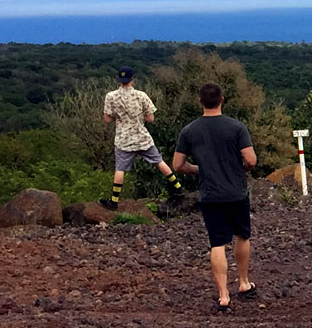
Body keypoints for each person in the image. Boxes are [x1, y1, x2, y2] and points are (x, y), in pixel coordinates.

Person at [171, 83, 257, 311]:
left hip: (210, 193)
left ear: (200, 101)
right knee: (242, 236)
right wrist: (240, 169)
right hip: (236, 192)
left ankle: (223, 294)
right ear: (222, 100)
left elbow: (177, 165)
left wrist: (200, 169)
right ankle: (244, 282)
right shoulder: (237, 127)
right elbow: (251, 160)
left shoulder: (189, 131)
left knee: (217, 243)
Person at [101, 66, 186, 210]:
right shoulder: (141, 95)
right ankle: (178, 188)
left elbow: (107, 119)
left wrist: (119, 116)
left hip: (123, 139)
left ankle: (114, 201)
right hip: (142, 137)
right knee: (158, 161)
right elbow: (151, 118)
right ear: (132, 79)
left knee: (120, 169)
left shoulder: (111, 96)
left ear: (119, 80)